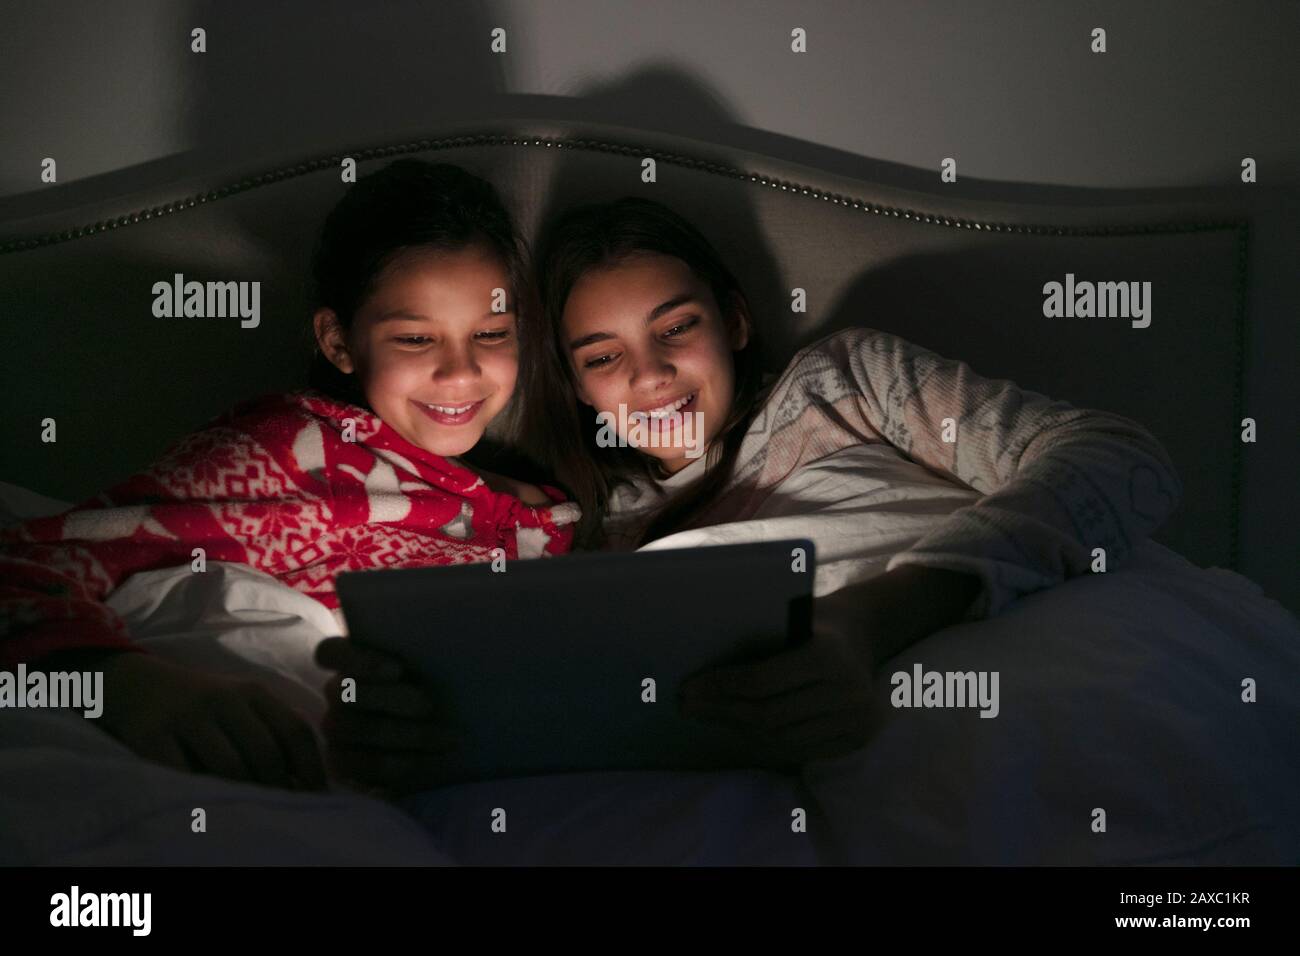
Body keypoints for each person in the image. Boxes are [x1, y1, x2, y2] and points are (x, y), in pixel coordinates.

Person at [524, 196, 1182, 767]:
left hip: (1074, 673)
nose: (651, 373)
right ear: (578, 387)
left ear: (734, 322)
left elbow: (1122, 461)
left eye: (677, 326)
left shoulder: (841, 385)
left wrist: (872, 619)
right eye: (604, 356)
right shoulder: (598, 537)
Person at [0, 161, 579, 792]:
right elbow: (28, 563)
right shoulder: (286, 453)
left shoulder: (551, 511)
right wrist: (127, 685)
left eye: (491, 334)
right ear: (338, 343)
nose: (460, 374)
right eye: (415, 339)